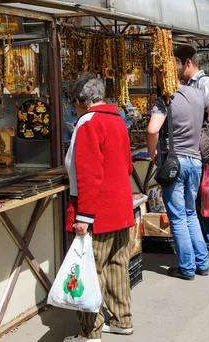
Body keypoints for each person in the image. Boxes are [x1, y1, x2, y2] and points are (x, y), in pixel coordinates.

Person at [64, 74, 135, 342]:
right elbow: (127, 166)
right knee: (118, 265)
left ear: (80, 102)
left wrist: (83, 216)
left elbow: (88, 174)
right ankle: (122, 320)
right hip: (120, 207)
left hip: (98, 211)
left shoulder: (88, 123)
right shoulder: (117, 119)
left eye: (75, 104)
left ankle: (89, 332)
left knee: (90, 271)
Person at [147, 67, 209, 281]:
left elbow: (153, 129)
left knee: (178, 216)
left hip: (174, 163)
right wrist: (204, 133)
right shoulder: (197, 94)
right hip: (195, 160)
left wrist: (152, 152)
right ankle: (202, 262)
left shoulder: (164, 100)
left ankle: (187, 267)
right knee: (191, 213)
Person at [173, 45, 209, 262]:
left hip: (203, 151)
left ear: (187, 63)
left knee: (207, 195)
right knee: (194, 201)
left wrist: (204, 138)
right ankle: (200, 244)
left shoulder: (205, 83)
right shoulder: (187, 85)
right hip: (192, 151)